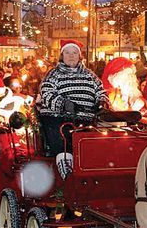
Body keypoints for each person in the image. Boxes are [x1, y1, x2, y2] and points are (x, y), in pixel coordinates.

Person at [38, 41, 107, 178]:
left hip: (86, 117)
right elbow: (46, 93)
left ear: (79, 56)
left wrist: (101, 102)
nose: (71, 56)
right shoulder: (53, 74)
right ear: (62, 55)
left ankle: (90, 169)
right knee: (64, 136)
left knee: (92, 140)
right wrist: (64, 105)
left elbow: (101, 91)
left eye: (74, 53)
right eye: (67, 53)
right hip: (58, 116)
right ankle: (66, 167)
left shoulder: (89, 74)